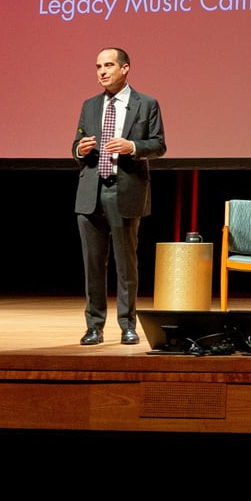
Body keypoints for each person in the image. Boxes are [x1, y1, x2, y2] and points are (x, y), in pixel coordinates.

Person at [72, 46, 165, 345]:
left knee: (126, 265)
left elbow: (159, 145)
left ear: (125, 68)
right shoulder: (89, 105)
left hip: (124, 190)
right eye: (98, 66)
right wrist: (79, 149)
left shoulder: (147, 104)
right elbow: (76, 145)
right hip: (91, 191)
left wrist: (133, 147)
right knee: (93, 264)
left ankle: (128, 324)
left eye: (109, 65)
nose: (102, 71)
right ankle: (94, 326)